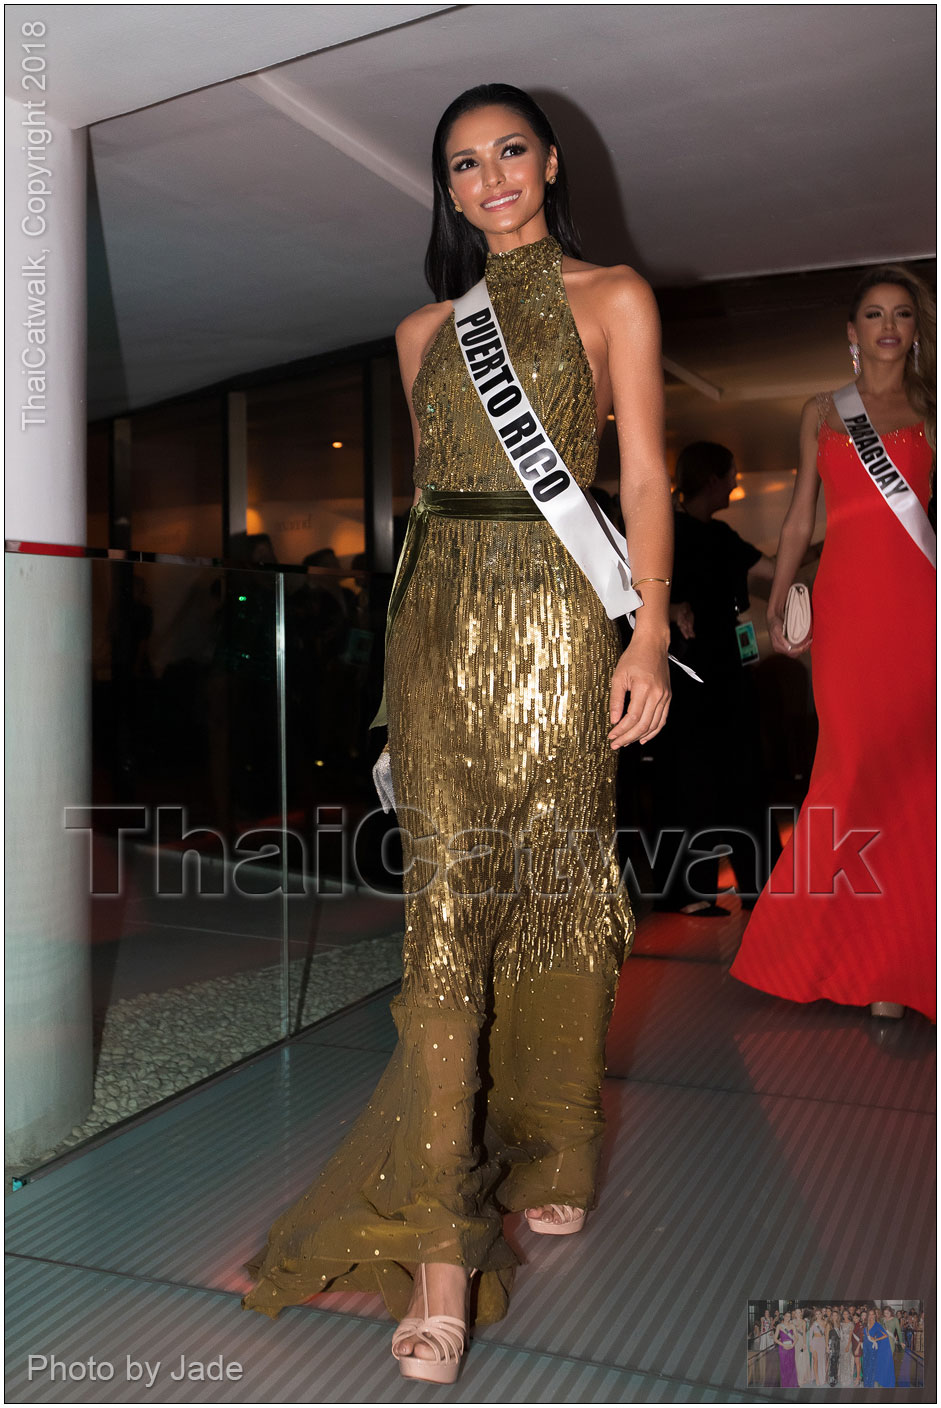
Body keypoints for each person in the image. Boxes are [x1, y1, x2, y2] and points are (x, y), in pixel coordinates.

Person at [240, 84, 673, 1383]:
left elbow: (641, 474)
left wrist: (644, 637)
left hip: (557, 621)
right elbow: (431, 500)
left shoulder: (615, 298)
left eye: (507, 153)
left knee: (554, 891)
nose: (488, 178)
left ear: (547, 162)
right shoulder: (424, 325)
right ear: (446, 187)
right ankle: (439, 1242)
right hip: (436, 634)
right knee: (444, 915)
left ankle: (551, 1147)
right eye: (461, 165)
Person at [731, 266, 936, 1021]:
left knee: (913, 778)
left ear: (916, 329)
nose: (888, 326)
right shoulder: (822, 411)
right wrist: (781, 594)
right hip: (846, 612)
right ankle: (817, 951)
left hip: (920, 609)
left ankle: (899, 968)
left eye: (902, 314)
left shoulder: (932, 410)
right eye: (873, 315)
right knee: (847, 771)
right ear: (850, 333)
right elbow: (795, 520)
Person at [647, 442, 777, 913]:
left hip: (722, 677)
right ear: (712, 479)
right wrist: (673, 606)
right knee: (693, 781)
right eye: (732, 475)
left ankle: (752, 883)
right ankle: (689, 891)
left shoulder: (721, 537)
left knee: (736, 777)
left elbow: (777, 570)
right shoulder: (665, 533)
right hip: (687, 681)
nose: (736, 484)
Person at [863, 1308, 896, 1387]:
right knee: (865, 1365)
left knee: (871, 1367)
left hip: (872, 1348)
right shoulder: (865, 1324)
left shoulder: (877, 1325)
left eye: (872, 1314)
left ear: (875, 1315)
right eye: (869, 1314)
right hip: (865, 1347)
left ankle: (870, 1385)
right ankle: (866, 1384)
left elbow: (885, 1335)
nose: (871, 1316)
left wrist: (876, 1339)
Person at [773, 1312, 798, 1387]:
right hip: (783, 1348)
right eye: (786, 1316)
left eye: (789, 1316)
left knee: (791, 1365)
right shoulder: (779, 1326)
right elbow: (775, 1339)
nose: (787, 1317)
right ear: (783, 1316)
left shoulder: (792, 1325)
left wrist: (793, 1345)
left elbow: (796, 1337)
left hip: (791, 1347)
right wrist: (783, 1345)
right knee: (784, 1366)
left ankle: (792, 1384)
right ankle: (785, 1384)